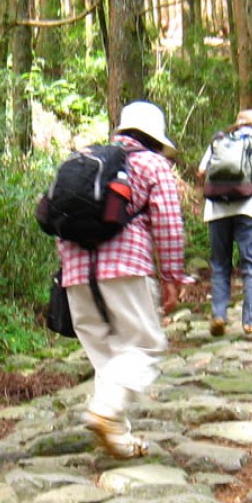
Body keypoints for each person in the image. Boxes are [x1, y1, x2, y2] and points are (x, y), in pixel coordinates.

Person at [59, 101, 195, 458]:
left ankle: (117, 436)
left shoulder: (85, 160)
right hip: (125, 266)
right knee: (145, 345)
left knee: (108, 358)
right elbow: (168, 222)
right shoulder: (152, 164)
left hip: (75, 272)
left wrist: (70, 269)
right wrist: (172, 275)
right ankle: (105, 412)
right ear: (154, 137)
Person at [198, 108, 252, 337]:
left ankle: (218, 314)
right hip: (248, 206)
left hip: (216, 210)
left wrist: (212, 191)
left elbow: (201, 171)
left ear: (237, 125)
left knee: (220, 264)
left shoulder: (219, 141)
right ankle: (250, 321)